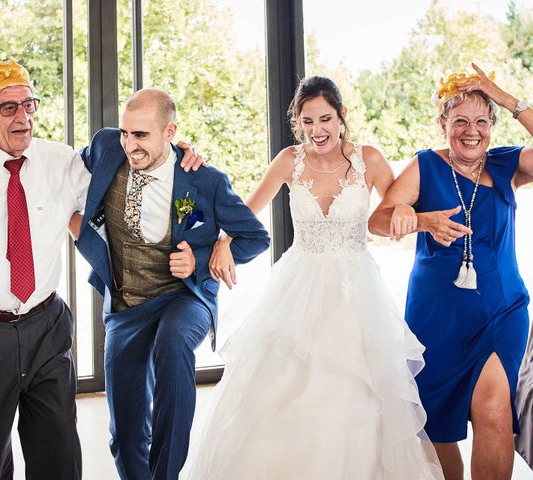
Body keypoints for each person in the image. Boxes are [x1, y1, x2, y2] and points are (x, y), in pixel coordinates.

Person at [0, 59, 202, 480]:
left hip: (46, 328)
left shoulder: (62, 162)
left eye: (29, 104)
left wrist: (174, 151)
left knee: (59, 459)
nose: (23, 117)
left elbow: (128, 170)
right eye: (7, 108)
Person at [183, 76, 443, 479]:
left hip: (355, 288)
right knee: (281, 388)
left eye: (325, 119)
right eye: (307, 122)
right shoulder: (289, 160)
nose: (317, 130)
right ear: (297, 122)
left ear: (342, 117)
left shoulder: (369, 160)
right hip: (299, 283)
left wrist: (418, 219)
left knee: (352, 391)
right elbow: (247, 209)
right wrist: (222, 240)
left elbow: (391, 215)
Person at [70, 87, 269, 480]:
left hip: (185, 296)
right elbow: (60, 171)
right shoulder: (107, 147)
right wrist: (73, 225)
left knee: (173, 343)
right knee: (124, 433)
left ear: (170, 131)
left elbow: (256, 237)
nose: (130, 144)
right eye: (127, 133)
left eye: (141, 135)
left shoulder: (205, 180)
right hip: (126, 305)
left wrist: (216, 250)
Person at [369, 63, 533, 480]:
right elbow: (378, 221)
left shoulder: (507, 165)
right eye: (459, 121)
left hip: (501, 312)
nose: (471, 131)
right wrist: (421, 220)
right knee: (434, 429)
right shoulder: (424, 166)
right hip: (435, 319)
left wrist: (507, 98)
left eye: (481, 120)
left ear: (493, 125)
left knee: (494, 412)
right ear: (443, 124)